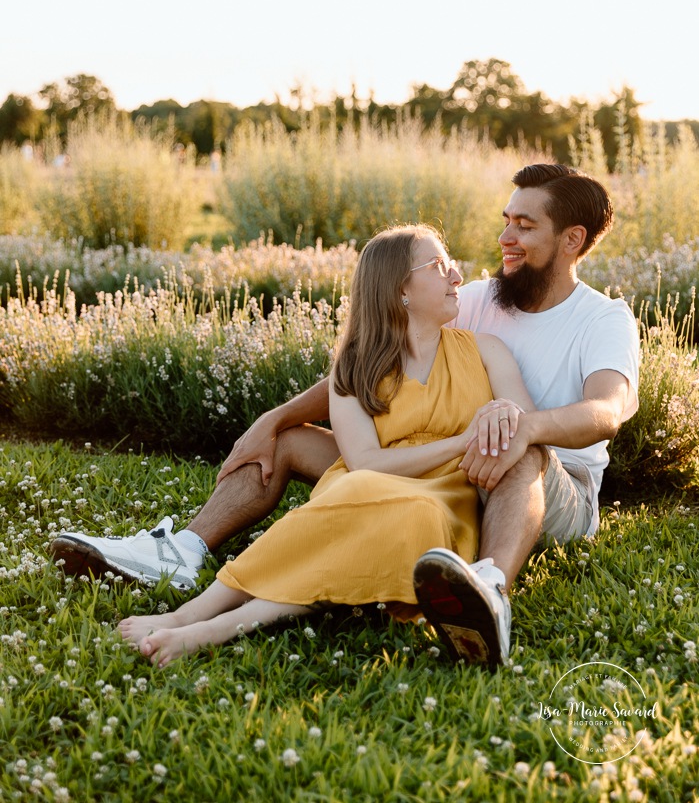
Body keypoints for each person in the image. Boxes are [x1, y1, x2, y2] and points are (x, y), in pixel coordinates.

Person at [52, 163, 639, 668]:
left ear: (571, 239)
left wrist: (523, 425)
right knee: (292, 444)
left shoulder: (601, 319)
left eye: (525, 225)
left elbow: (609, 408)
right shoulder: (478, 296)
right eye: (506, 219)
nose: (504, 235)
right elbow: (373, 362)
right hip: (438, 462)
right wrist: (274, 418)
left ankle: (491, 590)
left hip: (543, 480)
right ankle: (183, 552)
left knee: (518, 446)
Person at [117, 223, 538, 667]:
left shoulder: (486, 350)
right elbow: (366, 463)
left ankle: (212, 625)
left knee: (418, 515)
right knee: (355, 498)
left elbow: (527, 424)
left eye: (450, 263)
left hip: (447, 500)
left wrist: (503, 415)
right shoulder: (353, 368)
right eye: (438, 265)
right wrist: (462, 440)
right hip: (368, 486)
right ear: (401, 291)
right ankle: (196, 615)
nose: (457, 275)